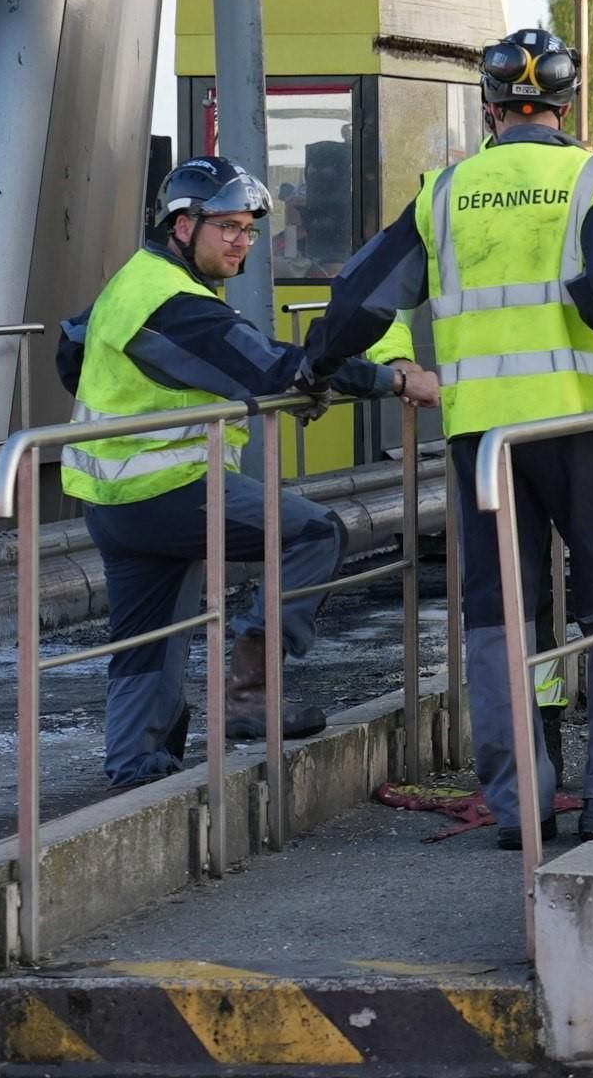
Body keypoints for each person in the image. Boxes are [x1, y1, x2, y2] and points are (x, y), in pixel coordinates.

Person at [306, 27, 593, 849]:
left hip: (483, 443)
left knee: (506, 617)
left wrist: (316, 365)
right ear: (567, 105)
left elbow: (364, 297)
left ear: (491, 107)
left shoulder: (445, 190)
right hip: (584, 427)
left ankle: (523, 806)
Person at [57, 157, 439, 791]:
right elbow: (271, 367)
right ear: (182, 226)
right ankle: (249, 698)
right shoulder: (174, 303)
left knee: (150, 639)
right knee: (314, 534)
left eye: (249, 229)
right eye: (227, 227)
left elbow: (71, 343)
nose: (242, 242)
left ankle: (135, 772)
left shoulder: (138, 281)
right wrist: (395, 378)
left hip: (112, 495)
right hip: (164, 489)